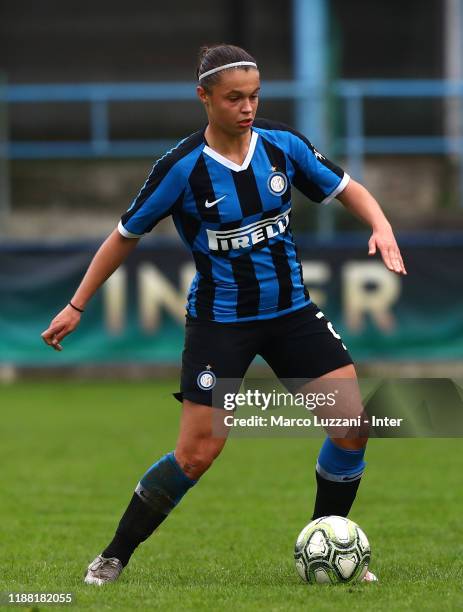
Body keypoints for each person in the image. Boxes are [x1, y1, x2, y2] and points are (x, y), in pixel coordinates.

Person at [41, 44, 406, 586]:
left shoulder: (283, 146)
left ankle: (321, 539)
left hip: (291, 313)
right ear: (204, 97)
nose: (247, 107)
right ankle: (113, 556)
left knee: (352, 426)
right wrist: (77, 305)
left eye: (254, 95)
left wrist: (381, 224)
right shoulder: (181, 168)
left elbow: (348, 188)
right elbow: (124, 237)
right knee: (197, 452)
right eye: (234, 97)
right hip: (220, 322)